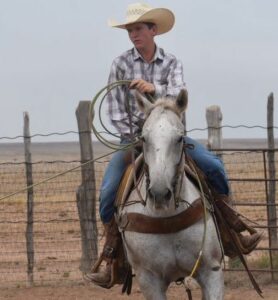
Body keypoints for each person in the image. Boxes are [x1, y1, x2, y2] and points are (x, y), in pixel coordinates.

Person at [85, 2, 261, 287]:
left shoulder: (171, 62)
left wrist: (155, 90)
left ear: (153, 30)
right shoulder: (120, 64)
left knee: (213, 167)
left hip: (171, 138)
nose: (133, 34)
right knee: (108, 194)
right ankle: (113, 260)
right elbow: (115, 110)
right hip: (134, 140)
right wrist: (136, 136)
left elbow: (180, 96)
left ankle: (232, 235)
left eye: (139, 28)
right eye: (130, 30)